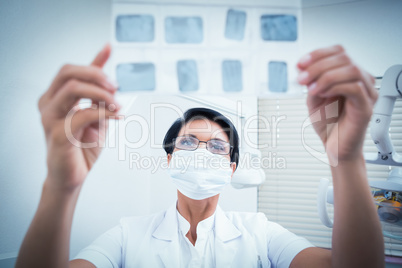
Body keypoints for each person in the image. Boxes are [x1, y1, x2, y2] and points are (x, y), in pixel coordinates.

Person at [15, 44, 384, 268]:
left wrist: (347, 159)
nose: (203, 151)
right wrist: (60, 188)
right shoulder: (128, 236)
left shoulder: (260, 232)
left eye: (218, 146)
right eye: (189, 142)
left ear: (232, 167)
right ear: (170, 158)